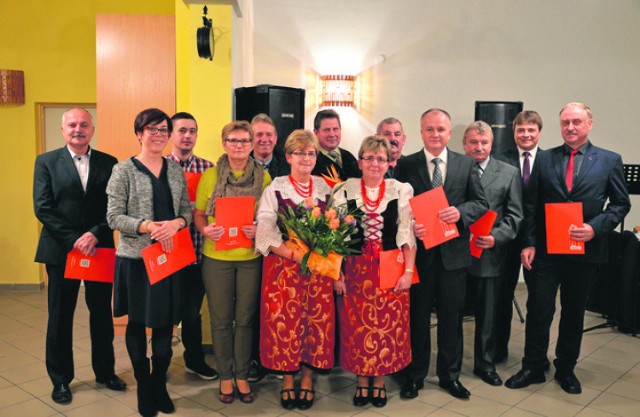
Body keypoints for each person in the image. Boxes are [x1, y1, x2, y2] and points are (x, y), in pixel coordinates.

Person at [505, 103, 630, 394]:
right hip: (547, 250)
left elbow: (621, 204)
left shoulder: (609, 160)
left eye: (576, 122)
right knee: (538, 310)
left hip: (585, 250)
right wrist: (529, 242)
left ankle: (566, 369)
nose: (570, 127)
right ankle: (533, 366)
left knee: (574, 311)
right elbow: (533, 205)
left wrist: (595, 227)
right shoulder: (545, 159)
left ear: (589, 123)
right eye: (565, 123)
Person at [33, 108, 125, 405]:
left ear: (92, 129)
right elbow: (43, 207)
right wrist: (75, 239)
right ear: (63, 130)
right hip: (61, 250)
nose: (78, 129)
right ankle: (60, 380)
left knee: (101, 313)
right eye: (72, 124)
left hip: (99, 248)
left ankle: (105, 372)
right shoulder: (46, 162)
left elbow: (115, 205)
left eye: (84, 124)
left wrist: (96, 233)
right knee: (60, 315)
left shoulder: (109, 163)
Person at [395, 108, 487, 400]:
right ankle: (414, 375)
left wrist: (460, 212)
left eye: (441, 129)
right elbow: (398, 209)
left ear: (450, 133)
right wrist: (411, 227)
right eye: (429, 129)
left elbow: (480, 202)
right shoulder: (406, 164)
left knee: (452, 319)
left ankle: (450, 376)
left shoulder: (466, 164)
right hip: (419, 257)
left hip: (453, 256)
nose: (435, 134)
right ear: (421, 132)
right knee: (417, 319)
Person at [107, 108, 192, 416]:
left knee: (164, 325)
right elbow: (113, 217)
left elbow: (186, 211)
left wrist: (177, 224)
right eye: (152, 129)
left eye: (163, 130)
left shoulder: (174, 171)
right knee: (138, 323)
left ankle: (158, 383)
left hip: (169, 259)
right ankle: (144, 385)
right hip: (135, 260)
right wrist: (147, 225)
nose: (158, 135)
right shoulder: (123, 170)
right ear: (139, 133)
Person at [333, 135, 416, 408]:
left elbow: (407, 234)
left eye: (381, 159)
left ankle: (379, 381)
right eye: (369, 158)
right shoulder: (346, 190)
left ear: (388, 162)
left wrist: (408, 271)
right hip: (356, 268)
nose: (375, 164)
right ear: (359, 162)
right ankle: (361, 380)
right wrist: (337, 274)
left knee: (387, 326)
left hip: (390, 265)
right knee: (357, 326)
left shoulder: (400, 189)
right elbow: (337, 239)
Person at [255, 129, 335, 411]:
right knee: (284, 324)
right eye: (299, 152)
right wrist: (293, 254)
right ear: (288, 156)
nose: (305, 158)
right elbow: (264, 229)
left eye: (311, 153)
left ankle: (308, 378)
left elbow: (337, 226)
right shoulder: (275, 187)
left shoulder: (326, 187)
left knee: (315, 323)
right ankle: (287, 378)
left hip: (317, 269)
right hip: (283, 268)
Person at [194, 121, 271, 404]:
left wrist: (257, 229)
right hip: (217, 257)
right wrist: (205, 230)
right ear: (224, 143)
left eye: (244, 141)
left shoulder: (263, 177)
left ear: (252, 145)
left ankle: (242, 373)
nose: (239, 146)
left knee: (247, 319)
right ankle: (225, 375)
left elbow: (268, 217)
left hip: (250, 257)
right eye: (233, 140)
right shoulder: (211, 176)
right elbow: (199, 214)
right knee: (222, 319)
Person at [462, 121, 523, 386]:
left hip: (489, 253)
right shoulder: (454, 168)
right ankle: (450, 363)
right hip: (456, 251)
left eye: (484, 142)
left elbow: (515, 215)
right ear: (465, 144)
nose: (479, 147)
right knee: (451, 312)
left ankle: (484, 364)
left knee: (487, 314)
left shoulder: (509, 172)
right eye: (473, 142)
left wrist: (496, 237)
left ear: (492, 144)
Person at [166, 112, 219, 380]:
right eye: (182, 130)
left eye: (192, 131)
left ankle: (194, 360)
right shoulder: (159, 167)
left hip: (198, 253)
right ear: (171, 134)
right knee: (164, 311)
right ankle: (161, 362)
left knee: (192, 313)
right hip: (167, 253)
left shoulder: (209, 169)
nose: (187, 136)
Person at [493, 110, 544, 364]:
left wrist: (532, 240)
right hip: (506, 241)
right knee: (503, 296)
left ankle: (535, 357)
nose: (526, 134)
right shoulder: (499, 160)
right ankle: (497, 350)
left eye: (531, 130)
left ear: (539, 133)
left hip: (539, 242)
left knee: (538, 301)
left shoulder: (550, 161)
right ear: (514, 133)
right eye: (520, 130)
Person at [248, 113, 288, 382]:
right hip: (248, 250)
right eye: (258, 135)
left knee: (280, 308)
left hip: (284, 251)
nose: (263, 140)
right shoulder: (239, 168)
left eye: (268, 135)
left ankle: (279, 357)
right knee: (252, 307)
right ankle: (255, 360)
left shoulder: (289, 168)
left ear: (276, 139)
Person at [311, 109, 361, 181]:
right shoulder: (311, 160)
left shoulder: (349, 157)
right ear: (316, 132)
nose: (332, 134)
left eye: (335, 129)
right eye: (327, 130)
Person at [250, 113, 290, 179]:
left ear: (276, 138)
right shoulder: (241, 164)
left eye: (269, 134)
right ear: (250, 139)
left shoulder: (288, 165)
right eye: (259, 134)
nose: (264, 139)